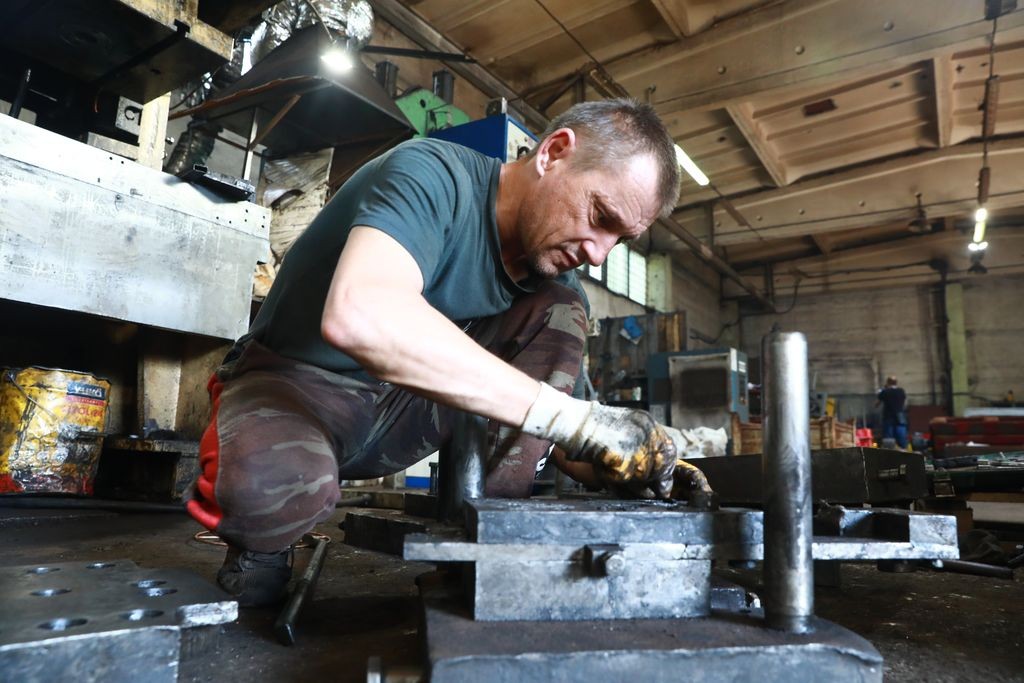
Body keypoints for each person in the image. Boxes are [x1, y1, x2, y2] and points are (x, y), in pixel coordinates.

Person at [186, 98, 710, 606]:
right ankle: (263, 544)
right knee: (269, 496)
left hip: (402, 411)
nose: (599, 253)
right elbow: (359, 314)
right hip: (295, 386)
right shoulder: (432, 174)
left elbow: (558, 432)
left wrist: (630, 464)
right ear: (553, 152)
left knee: (561, 305)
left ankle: (486, 545)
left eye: (620, 238)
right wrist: (575, 421)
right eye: (600, 215)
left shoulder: (554, 290)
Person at [876, 376, 908, 449]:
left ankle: (890, 451)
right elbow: (904, 403)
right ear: (896, 382)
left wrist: (883, 389)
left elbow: (877, 404)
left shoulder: (885, 391)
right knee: (901, 435)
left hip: (888, 416)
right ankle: (903, 449)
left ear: (888, 382)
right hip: (900, 416)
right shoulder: (901, 391)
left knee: (888, 438)